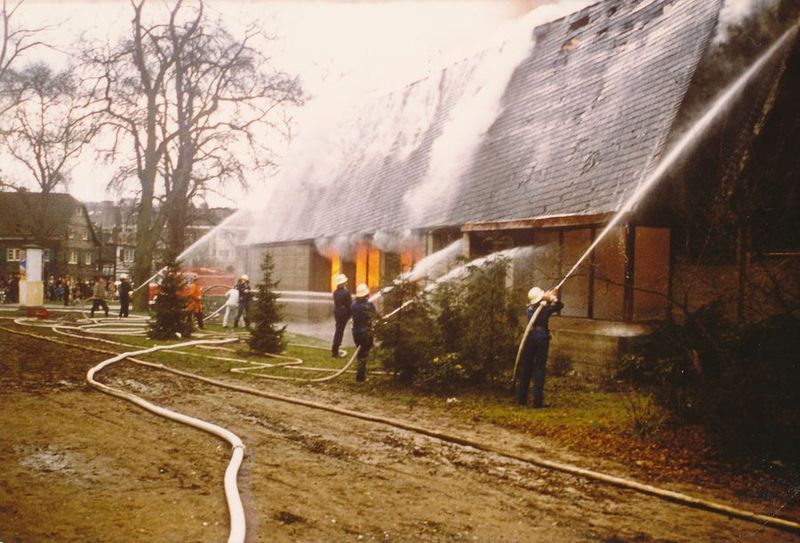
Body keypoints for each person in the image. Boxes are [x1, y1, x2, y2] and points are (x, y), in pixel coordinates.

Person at [517, 286, 563, 408]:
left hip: (530, 338)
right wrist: (553, 298)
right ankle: (537, 401)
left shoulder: (530, 308)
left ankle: (521, 399)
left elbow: (541, 304)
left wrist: (546, 297)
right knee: (539, 369)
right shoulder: (544, 309)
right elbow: (559, 306)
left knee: (526, 367)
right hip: (541, 338)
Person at [351, 283, 377, 382]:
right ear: (366, 294)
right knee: (364, 353)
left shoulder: (353, 305)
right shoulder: (369, 305)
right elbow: (375, 316)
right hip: (366, 332)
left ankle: (361, 373)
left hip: (356, 332)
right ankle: (361, 376)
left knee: (360, 353)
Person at [331, 274, 352, 357]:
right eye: (345, 282)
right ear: (343, 283)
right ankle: (335, 351)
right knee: (339, 332)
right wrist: (351, 314)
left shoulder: (335, 292)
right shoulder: (346, 293)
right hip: (343, 313)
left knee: (338, 330)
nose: (346, 283)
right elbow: (349, 305)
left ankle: (335, 350)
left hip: (337, 312)